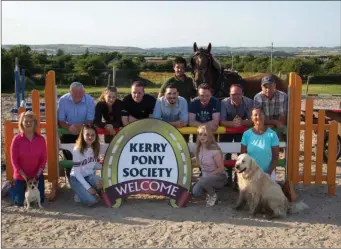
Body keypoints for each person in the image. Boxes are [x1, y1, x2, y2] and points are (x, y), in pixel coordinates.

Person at [57, 82, 95, 179]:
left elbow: (90, 120)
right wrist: (69, 127)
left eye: (80, 93)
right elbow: (60, 120)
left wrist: (82, 126)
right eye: (74, 93)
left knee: (84, 157)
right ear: (69, 92)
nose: (77, 95)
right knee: (69, 158)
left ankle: (86, 179)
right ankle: (71, 179)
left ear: (84, 92)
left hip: (84, 132)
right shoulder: (63, 100)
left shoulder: (90, 100)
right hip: (67, 131)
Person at [8, 111, 47, 207]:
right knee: (20, 202)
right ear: (22, 123)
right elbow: (14, 161)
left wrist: (37, 176)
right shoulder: (16, 139)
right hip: (21, 176)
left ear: (35, 123)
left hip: (36, 176)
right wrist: (25, 177)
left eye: (31, 121)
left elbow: (43, 159)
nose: (28, 123)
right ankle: (9, 188)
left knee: (40, 200)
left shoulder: (41, 139)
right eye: (26, 121)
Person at [220, 84, 254, 185]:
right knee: (226, 153)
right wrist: (233, 123)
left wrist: (242, 123)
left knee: (242, 154)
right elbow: (222, 121)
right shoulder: (224, 102)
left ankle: (239, 177)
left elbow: (252, 120)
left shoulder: (249, 102)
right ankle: (227, 177)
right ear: (230, 94)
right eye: (233, 94)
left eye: (239, 94)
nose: (236, 96)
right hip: (228, 129)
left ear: (242, 94)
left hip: (242, 130)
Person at [192, 125, 227, 207]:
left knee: (204, 180)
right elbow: (198, 159)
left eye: (205, 134)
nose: (202, 137)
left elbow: (221, 168)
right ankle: (212, 190)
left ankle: (213, 196)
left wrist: (208, 176)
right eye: (200, 134)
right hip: (205, 177)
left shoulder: (214, 149)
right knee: (196, 192)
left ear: (209, 136)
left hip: (219, 177)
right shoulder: (199, 148)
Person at [241, 107, 280, 181]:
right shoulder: (246, 134)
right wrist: (249, 172)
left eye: (260, 114)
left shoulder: (272, 134)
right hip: (251, 173)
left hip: (268, 173)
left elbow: (275, 157)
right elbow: (243, 156)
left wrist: (268, 173)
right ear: (252, 118)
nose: (258, 117)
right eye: (255, 115)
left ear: (264, 116)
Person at [70, 124, 103, 206]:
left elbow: (94, 165)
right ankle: (80, 193)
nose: (90, 137)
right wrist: (88, 188)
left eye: (92, 135)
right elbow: (77, 173)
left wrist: (104, 165)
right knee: (92, 202)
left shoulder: (95, 148)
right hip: (77, 178)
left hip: (89, 176)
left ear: (96, 136)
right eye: (87, 134)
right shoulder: (77, 150)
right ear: (82, 135)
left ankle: (84, 192)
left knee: (99, 180)